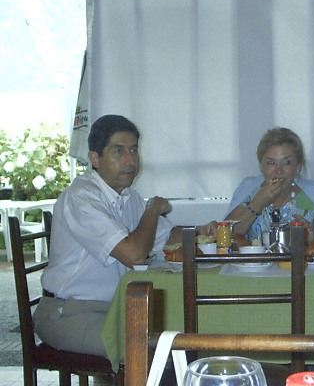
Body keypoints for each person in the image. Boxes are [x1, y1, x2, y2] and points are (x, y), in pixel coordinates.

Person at [34, 114, 216, 358]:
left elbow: (166, 236)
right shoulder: (81, 197)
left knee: (183, 335)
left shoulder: (130, 198)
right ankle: (133, 385)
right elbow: (135, 255)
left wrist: (200, 231)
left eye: (133, 150)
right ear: (94, 158)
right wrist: (153, 209)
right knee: (153, 351)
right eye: (118, 151)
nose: (130, 160)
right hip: (69, 312)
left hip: (116, 307)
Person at [225, 127, 314, 245]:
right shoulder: (249, 190)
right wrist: (257, 204)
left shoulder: (313, 193)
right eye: (271, 163)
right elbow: (226, 237)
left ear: (298, 165)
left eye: (287, 162)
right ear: (261, 166)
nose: (278, 171)